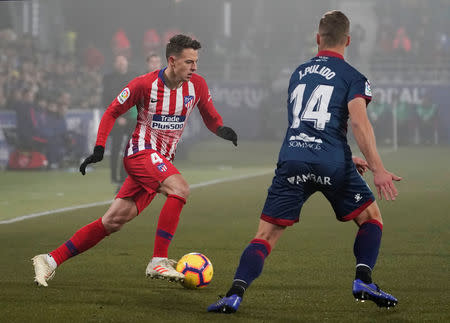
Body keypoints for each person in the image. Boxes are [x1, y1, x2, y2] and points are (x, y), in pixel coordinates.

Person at [208, 10, 401, 314]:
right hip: (332, 163)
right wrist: (378, 169)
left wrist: (343, 153)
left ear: (317, 39)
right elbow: (359, 124)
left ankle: (234, 293)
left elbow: (305, 124)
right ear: (348, 40)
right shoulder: (353, 77)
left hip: (294, 158)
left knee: (265, 236)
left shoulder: (298, 73)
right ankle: (363, 279)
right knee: (371, 218)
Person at [32, 34, 238, 286]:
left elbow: (210, 117)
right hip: (140, 153)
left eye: (196, 62)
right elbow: (111, 112)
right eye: (189, 62)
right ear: (172, 61)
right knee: (180, 189)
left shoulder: (198, 85)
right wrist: (99, 149)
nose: (194, 67)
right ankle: (158, 260)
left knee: (112, 221)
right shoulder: (144, 84)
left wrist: (221, 130)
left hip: (158, 160)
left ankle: (50, 260)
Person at [102, 55, 135, 188]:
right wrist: (117, 116)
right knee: (116, 147)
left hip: (131, 118)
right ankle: (114, 177)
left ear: (127, 62)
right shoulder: (108, 79)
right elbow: (107, 99)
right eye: (119, 62)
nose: (121, 64)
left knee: (129, 147)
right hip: (116, 118)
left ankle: (124, 175)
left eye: (123, 61)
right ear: (115, 64)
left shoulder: (133, 76)